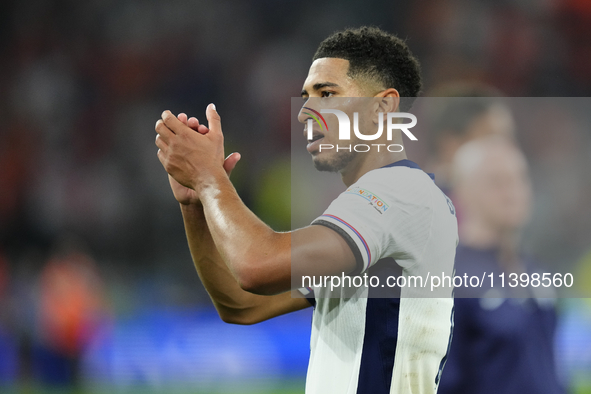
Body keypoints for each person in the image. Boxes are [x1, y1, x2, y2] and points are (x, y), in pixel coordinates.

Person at [154, 27, 458, 394]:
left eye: (327, 94)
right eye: (305, 97)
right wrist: (196, 204)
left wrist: (208, 179)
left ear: (383, 106)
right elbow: (242, 305)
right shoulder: (391, 208)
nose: (305, 113)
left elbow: (256, 266)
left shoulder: (397, 195)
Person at [437, 136, 565, 394]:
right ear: (463, 192)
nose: (513, 192)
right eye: (497, 182)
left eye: (520, 179)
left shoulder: (535, 268)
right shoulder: (450, 277)